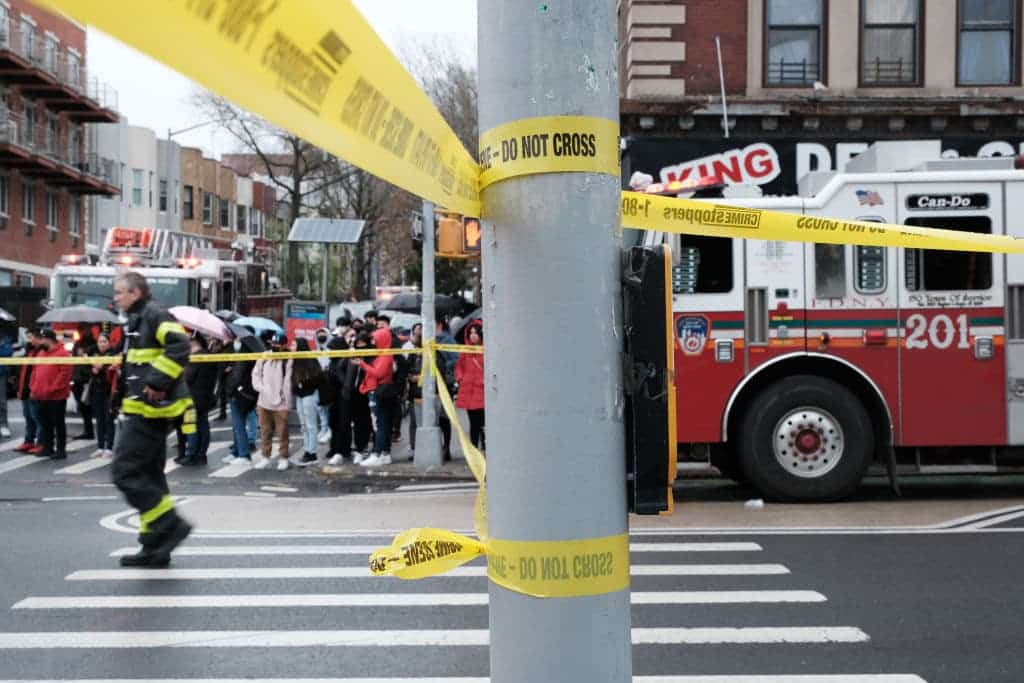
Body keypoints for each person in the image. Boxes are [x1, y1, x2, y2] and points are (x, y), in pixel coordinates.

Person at [110, 271, 194, 567]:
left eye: (119, 292)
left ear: (135, 293)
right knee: (149, 476)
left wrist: (157, 384)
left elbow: (180, 346)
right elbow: (135, 367)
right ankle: (155, 547)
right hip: (142, 408)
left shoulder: (155, 314)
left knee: (126, 472)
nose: (115, 297)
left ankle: (170, 525)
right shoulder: (137, 318)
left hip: (153, 410)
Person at [250, 333, 292, 471]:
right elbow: (255, 375)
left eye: (277, 344)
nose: (274, 346)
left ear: (284, 345)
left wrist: (285, 400)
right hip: (263, 402)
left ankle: (283, 457)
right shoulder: (264, 356)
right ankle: (265, 457)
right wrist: (261, 389)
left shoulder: (289, 359)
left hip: (281, 403)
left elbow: (288, 382)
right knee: (265, 431)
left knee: (282, 433)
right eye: (272, 344)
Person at [29, 329, 72, 460]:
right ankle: (48, 447)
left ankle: (61, 450)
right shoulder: (41, 353)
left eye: (42, 339)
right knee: (45, 423)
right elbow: (35, 371)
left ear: (49, 339)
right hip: (40, 395)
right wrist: (33, 387)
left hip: (56, 397)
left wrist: (52, 389)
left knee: (58, 424)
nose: (40, 341)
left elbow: (64, 375)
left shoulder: (63, 354)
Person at [357, 327, 396, 467]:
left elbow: (378, 373)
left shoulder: (386, 355)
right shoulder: (382, 353)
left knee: (379, 425)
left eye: (376, 338)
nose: (373, 341)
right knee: (382, 424)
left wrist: (362, 364)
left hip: (381, 393)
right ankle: (385, 453)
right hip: (381, 392)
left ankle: (378, 453)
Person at [181, 336, 218, 466]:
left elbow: (188, 377)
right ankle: (202, 454)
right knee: (203, 425)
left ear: (193, 344)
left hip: (193, 397)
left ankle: (191, 454)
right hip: (206, 396)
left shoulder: (195, 359)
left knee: (191, 426)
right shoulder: (210, 356)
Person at [225, 332, 260, 463]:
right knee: (237, 425)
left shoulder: (242, 357)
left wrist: (230, 390)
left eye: (238, 339)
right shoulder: (248, 355)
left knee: (239, 425)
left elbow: (236, 377)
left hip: (239, 394)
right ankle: (237, 451)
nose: (235, 341)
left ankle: (244, 454)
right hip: (245, 394)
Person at [291, 337, 324, 467]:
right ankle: (307, 449)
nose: (291, 347)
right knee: (303, 425)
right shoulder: (294, 359)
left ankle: (312, 452)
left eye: (294, 344)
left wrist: (302, 383)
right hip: (300, 395)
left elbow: (317, 377)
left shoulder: (310, 359)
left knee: (310, 424)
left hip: (309, 394)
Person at [456, 322, 485, 451]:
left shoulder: (486, 349)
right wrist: (461, 379)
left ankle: (485, 448)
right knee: (473, 424)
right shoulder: (465, 350)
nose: (473, 336)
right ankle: (474, 450)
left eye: (475, 333)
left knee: (484, 424)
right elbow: (459, 367)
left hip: (482, 391)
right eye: (471, 333)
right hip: (469, 391)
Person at [89, 332, 119, 458]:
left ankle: (109, 448)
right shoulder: (93, 354)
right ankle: (100, 446)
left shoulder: (113, 354)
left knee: (109, 419)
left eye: (104, 341)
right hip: (96, 390)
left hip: (109, 391)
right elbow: (86, 369)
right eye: (100, 341)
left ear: (109, 342)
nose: (102, 344)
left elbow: (114, 371)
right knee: (99, 420)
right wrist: (92, 369)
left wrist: (102, 368)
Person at [15, 330, 43, 454]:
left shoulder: (41, 352)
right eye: (27, 337)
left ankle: (41, 443)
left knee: (37, 417)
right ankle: (29, 441)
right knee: (28, 417)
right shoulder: (29, 351)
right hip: (26, 389)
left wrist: (35, 389)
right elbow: (23, 372)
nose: (28, 340)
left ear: (38, 338)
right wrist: (20, 389)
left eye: (30, 337)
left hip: (34, 390)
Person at [70, 332, 96, 441]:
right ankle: (87, 430)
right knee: (82, 407)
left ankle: (89, 430)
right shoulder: (77, 344)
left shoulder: (93, 345)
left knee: (87, 407)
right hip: (77, 379)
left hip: (85, 379)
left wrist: (85, 354)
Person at [403, 323, 423, 454]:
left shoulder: (432, 352)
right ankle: (414, 447)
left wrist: (421, 378)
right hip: (414, 393)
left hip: (429, 393)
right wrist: (411, 377)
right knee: (414, 422)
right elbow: (406, 370)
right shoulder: (412, 354)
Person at [314, 327, 332, 444]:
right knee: (319, 407)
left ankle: (329, 429)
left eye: (323, 334)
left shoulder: (331, 350)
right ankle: (323, 428)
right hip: (318, 381)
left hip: (328, 382)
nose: (321, 336)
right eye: (319, 334)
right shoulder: (315, 351)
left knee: (328, 407)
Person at [0, 330, 12, 438]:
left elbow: (7, 353)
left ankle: (3, 424)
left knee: (2, 402)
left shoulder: (6, 338)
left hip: (1, 374)